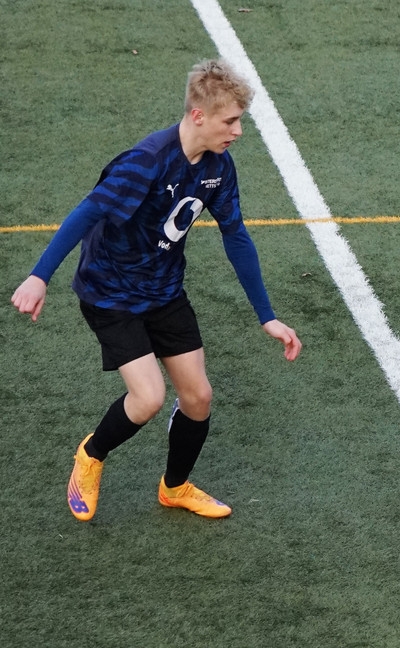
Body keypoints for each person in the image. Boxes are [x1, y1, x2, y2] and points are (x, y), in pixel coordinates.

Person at [10, 58, 302, 522]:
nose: (238, 131)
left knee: (198, 397)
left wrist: (266, 315)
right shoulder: (146, 162)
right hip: (111, 294)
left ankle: (175, 487)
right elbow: (86, 213)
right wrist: (39, 276)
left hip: (164, 291)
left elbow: (236, 235)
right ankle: (91, 454)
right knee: (148, 398)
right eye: (230, 121)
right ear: (199, 115)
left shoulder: (218, 167)